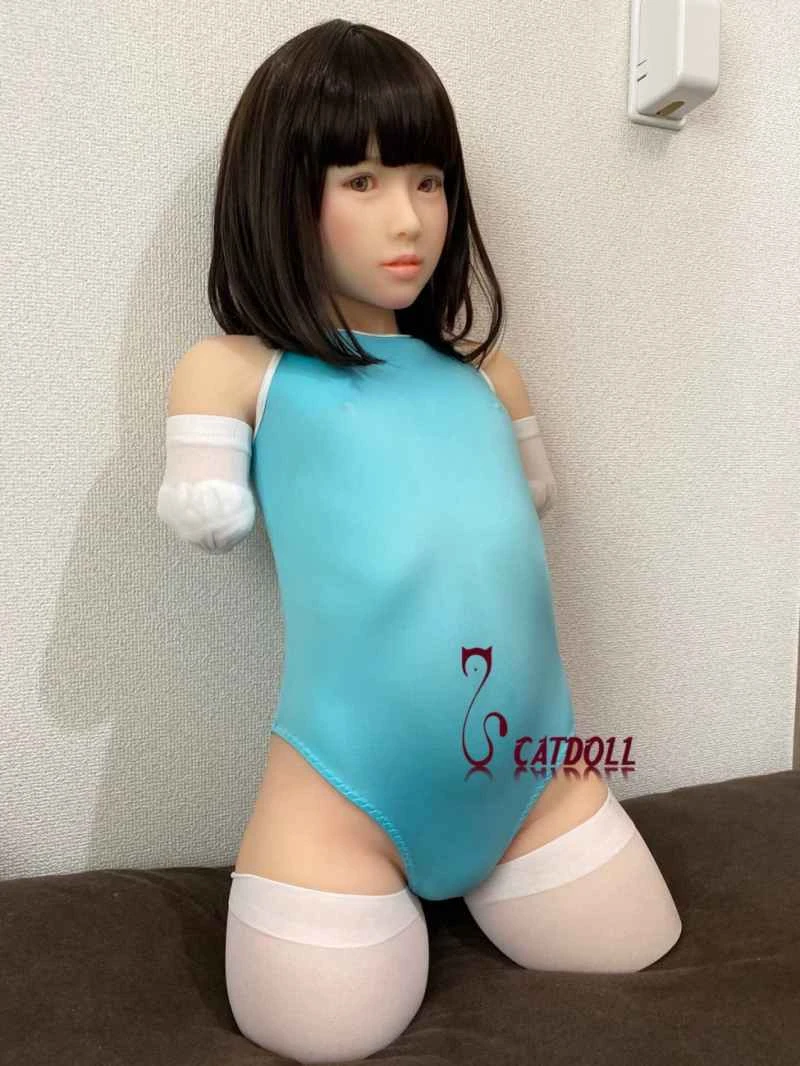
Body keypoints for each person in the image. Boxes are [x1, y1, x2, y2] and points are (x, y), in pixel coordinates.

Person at [157, 18, 682, 1063]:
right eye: (360, 180)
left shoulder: (491, 376)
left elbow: (530, 497)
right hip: (340, 801)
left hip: (541, 778)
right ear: (280, 191)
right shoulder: (238, 371)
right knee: (312, 1033)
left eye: (428, 180)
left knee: (643, 952)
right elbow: (200, 502)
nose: (408, 218)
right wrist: (205, 485)